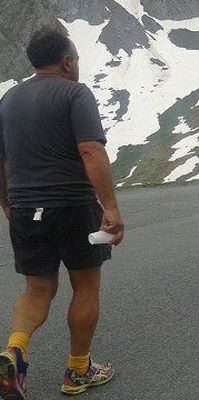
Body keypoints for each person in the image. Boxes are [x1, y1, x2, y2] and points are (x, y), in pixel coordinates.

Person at [0, 28, 124, 398]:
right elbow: (90, 150)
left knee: (37, 289)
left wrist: (8, 203)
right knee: (86, 285)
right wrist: (111, 207)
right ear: (67, 61)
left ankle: (14, 353)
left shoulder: (8, 100)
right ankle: (77, 372)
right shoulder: (74, 92)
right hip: (72, 206)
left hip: (24, 207)